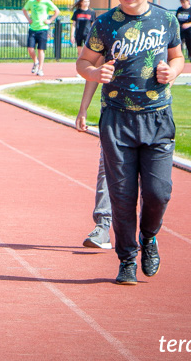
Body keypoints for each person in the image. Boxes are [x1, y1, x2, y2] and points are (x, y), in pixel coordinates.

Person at [77, 0, 183, 285]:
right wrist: (94, 71)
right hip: (117, 120)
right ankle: (126, 258)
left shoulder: (166, 20)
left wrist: (172, 72)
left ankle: (149, 236)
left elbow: (178, 57)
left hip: (157, 118)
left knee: (158, 192)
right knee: (122, 195)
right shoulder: (105, 23)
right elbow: (83, 62)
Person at [75, 68, 112, 251]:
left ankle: (147, 235)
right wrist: (83, 108)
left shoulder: (159, 37)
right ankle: (103, 226)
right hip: (114, 114)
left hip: (150, 114)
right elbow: (94, 66)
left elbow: (175, 58)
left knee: (150, 183)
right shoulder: (105, 37)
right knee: (106, 168)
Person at [22, 0, 60, 76]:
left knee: (41, 50)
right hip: (33, 28)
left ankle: (40, 69)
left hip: (43, 28)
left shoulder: (47, 2)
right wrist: (28, 19)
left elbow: (57, 11)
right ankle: (36, 62)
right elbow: (24, 9)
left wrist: (50, 20)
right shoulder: (31, 1)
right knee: (30, 49)